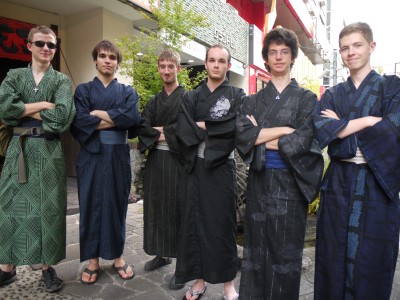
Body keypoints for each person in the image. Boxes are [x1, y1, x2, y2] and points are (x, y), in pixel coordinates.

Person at [313, 22, 400, 300]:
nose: (351, 52)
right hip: (338, 185)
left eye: (357, 45)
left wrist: (343, 127)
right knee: (333, 256)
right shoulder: (332, 94)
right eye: (345, 48)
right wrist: (368, 121)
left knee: (373, 258)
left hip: (377, 187)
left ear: (371, 46)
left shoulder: (392, 88)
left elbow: (392, 133)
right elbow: (321, 129)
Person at [236, 27, 324, 299]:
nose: (278, 57)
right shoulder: (251, 101)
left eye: (284, 52)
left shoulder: (307, 99)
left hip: (290, 183)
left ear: (292, 56)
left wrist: (260, 136)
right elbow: (242, 136)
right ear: (265, 57)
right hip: (259, 182)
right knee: (256, 248)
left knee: (286, 251)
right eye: (272, 52)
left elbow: (306, 140)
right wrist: (286, 130)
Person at [0, 25, 75, 292]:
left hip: (49, 150)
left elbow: (63, 117)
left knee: (48, 209)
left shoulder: (62, 81)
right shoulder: (14, 76)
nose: (46, 49)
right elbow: (6, 110)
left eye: (51, 45)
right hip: (18, 150)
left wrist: (23, 110)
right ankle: (6, 268)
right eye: (41, 43)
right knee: (10, 206)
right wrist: (44, 105)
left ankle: (47, 268)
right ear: (29, 45)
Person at [175, 44, 245, 300]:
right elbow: (184, 129)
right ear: (205, 64)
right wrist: (216, 127)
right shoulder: (191, 97)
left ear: (228, 65)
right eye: (212, 60)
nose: (216, 65)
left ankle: (228, 284)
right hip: (195, 168)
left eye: (221, 61)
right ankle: (199, 279)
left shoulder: (237, 95)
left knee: (223, 226)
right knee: (195, 224)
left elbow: (237, 128)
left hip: (222, 169)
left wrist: (205, 126)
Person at [70, 40, 140, 285]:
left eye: (112, 57)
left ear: (118, 63)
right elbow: (79, 122)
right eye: (103, 56)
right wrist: (115, 118)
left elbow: (131, 119)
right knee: (90, 205)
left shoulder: (128, 92)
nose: (108, 60)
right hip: (91, 154)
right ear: (95, 60)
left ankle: (118, 256)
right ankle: (93, 260)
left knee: (116, 204)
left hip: (118, 155)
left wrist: (97, 114)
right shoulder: (83, 91)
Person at [138, 49, 186, 290]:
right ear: (159, 69)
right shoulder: (154, 101)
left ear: (179, 69)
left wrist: (160, 131)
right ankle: (161, 253)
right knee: (156, 208)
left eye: (171, 66)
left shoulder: (188, 98)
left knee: (177, 209)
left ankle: (181, 264)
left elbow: (186, 131)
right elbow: (142, 127)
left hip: (178, 162)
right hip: (156, 162)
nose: (166, 71)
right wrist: (166, 132)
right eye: (162, 66)